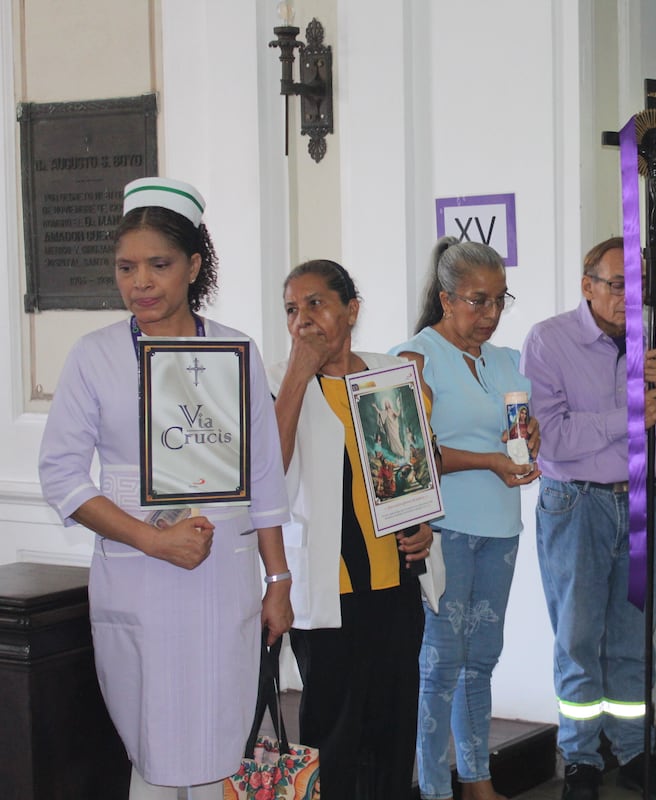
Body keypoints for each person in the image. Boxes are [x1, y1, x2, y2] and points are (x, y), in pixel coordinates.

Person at [38, 178, 293, 800]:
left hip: (222, 574)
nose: (141, 283)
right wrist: (150, 540)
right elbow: (61, 474)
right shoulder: (95, 357)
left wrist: (279, 580)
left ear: (194, 266)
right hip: (139, 575)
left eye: (159, 265)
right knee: (151, 744)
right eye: (126, 267)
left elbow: (263, 474)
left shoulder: (235, 350)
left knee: (220, 739)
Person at [521, 236, 656, 800]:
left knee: (635, 642)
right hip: (577, 505)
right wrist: (630, 416)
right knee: (578, 639)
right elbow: (553, 439)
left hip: (644, 502)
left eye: (639, 287)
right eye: (617, 285)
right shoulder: (549, 340)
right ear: (587, 286)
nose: (629, 298)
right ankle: (581, 760)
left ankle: (636, 753)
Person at [271, 259, 437, 800]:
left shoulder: (389, 374)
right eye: (292, 309)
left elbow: (415, 467)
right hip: (330, 592)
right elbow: (269, 476)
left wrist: (423, 526)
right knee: (333, 736)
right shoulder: (276, 382)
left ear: (351, 310)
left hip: (396, 582)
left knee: (392, 733)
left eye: (316, 303)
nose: (302, 319)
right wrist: (298, 375)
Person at [392, 237, 541, 800]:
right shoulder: (415, 357)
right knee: (439, 666)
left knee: (480, 662)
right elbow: (411, 453)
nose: (491, 313)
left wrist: (530, 437)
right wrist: (490, 462)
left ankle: (478, 782)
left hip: (501, 528)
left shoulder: (507, 361)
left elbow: (518, 431)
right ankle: (433, 789)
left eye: (500, 300)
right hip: (442, 530)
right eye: (479, 301)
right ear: (446, 298)